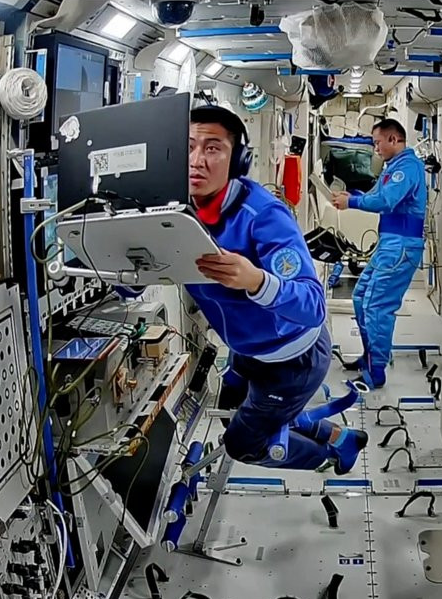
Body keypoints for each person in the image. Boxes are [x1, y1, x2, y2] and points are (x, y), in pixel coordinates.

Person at [183, 105, 367, 474]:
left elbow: (313, 305)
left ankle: (330, 455)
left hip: (293, 358)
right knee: (233, 403)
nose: (196, 160)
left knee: (242, 443)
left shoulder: (264, 216)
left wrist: (257, 281)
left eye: (213, 148)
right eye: (188, 147)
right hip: (248, 348)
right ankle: (337, 436)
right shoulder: (175, 211)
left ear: (238, 160)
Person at [331, 118, 427, 389]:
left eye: (378, 143)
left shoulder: (407, 168)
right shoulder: (393, 167)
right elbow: (376, 194)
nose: (375, 149)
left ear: (394, 140)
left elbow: (386, 200)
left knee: (377, 306)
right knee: (361, 297)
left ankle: (376, 371)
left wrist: (352, 202)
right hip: (389, 244)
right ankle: (369, 357)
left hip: (400, 246)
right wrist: (352, 194)